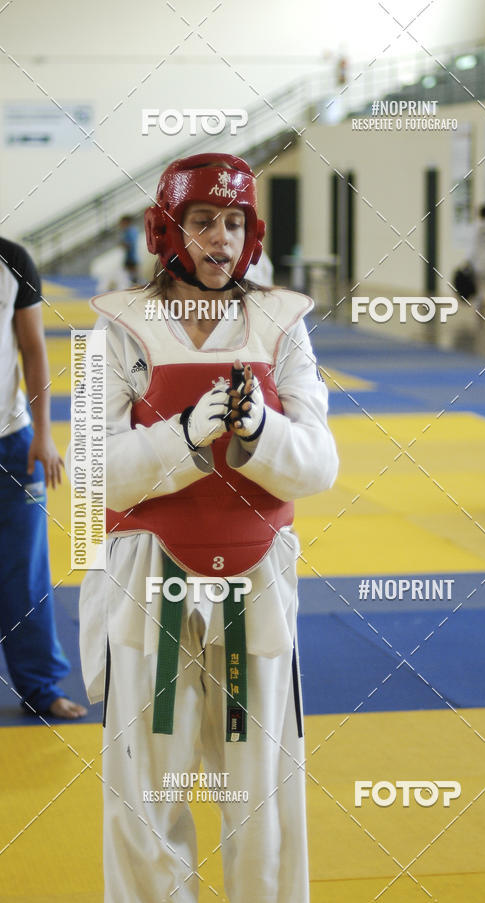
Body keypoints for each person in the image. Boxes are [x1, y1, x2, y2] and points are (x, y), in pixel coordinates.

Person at [76, 153, 338, 902]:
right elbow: (94, 467)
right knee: (146, 786)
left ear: (250, 234)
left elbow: (319, 464)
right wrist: (186, 440)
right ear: (169, 229)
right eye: (201, 222)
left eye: (233, 222)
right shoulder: (120, 328)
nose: (218, 238)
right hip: (152, 580)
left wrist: (259, 434)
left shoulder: (282, 324)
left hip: (252, 583)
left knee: (258, 787)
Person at [0, 236, 87, 719]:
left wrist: (45, 436)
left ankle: (40, 687)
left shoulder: (12, 261)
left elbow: (33, 350)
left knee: (24, 571)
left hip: (12, 440)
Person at [118, 214, 140, 284]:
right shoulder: (126, 232)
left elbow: (130, 244)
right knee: (130, 276)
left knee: (134, 277)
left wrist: (123, 244)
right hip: (129, 257)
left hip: (132, 257)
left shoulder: (131, 231)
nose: (121, 225)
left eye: (122, 223)